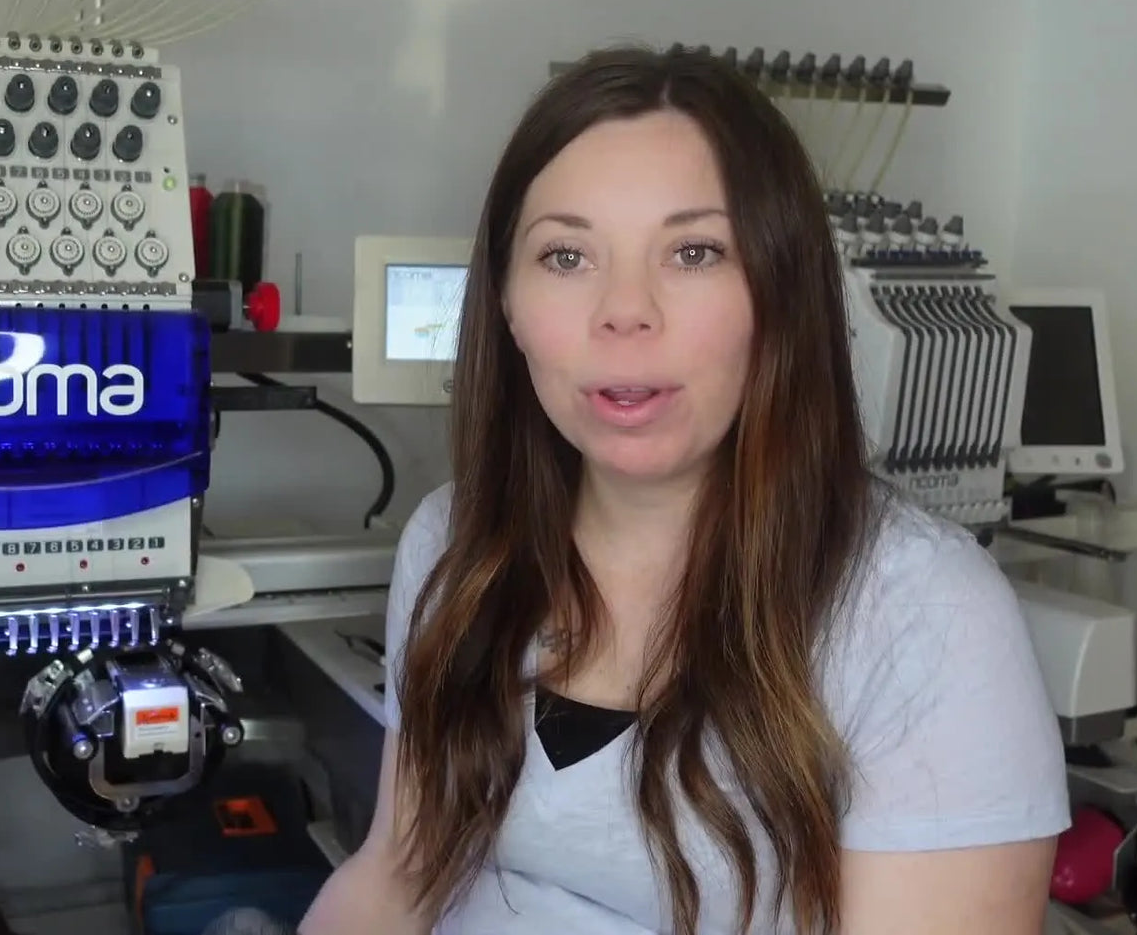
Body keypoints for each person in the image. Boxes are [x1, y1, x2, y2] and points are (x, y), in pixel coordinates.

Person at [296, 45, 1069, 935]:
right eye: (566, 256)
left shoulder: (923, 615)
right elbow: (394, 874)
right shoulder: (456, 541)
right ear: (506, 304)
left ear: (781, 295)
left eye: (694, 251)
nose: (627, 310)